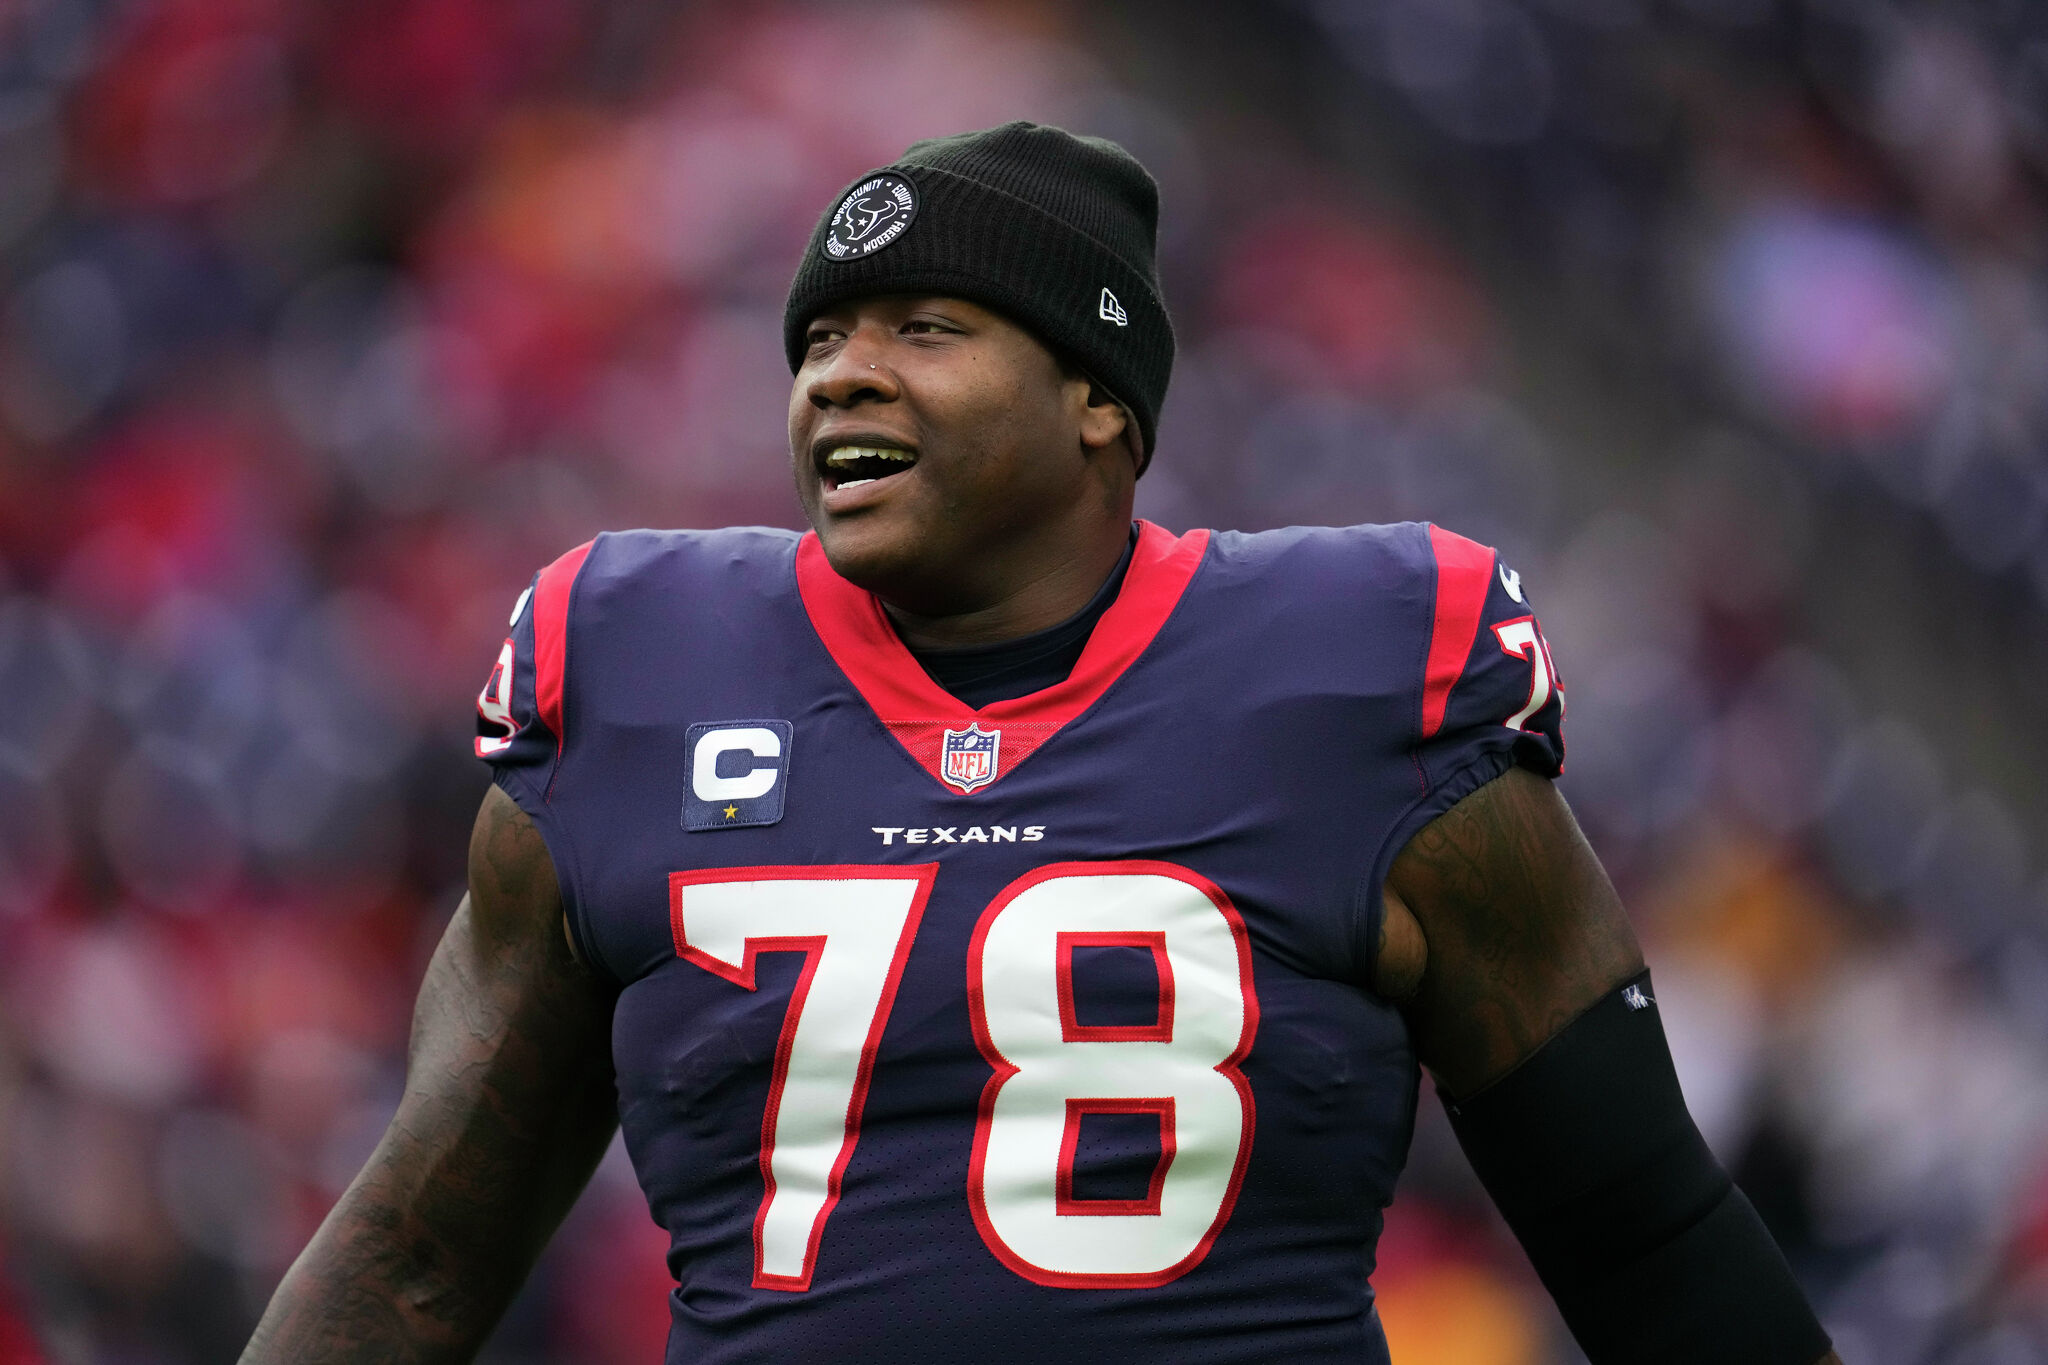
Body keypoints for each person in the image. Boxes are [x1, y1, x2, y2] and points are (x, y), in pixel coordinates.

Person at [241, 122, 1839, 1364]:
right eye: (819, 340)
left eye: (923, 325)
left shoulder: (1363, 676)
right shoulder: (632, 667)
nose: (839, 372)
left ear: (1099, 401)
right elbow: (416, 1254)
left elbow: (1639, 1227)